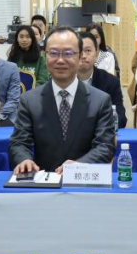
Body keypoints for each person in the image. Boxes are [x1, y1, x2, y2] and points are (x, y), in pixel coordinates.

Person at [9, 27, 116, 175]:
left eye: (68, 53)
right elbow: (19, 143)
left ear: (80, 57)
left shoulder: (100, 100)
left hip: (83, 179)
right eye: (53, 53)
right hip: (44, 181)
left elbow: (105, 146)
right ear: (45, 56)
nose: (60, 60)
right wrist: (24, 160)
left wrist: (78, 166)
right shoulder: (29, 100)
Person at [78, 31, 127, 129]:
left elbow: (120, 118)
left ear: (96, 54)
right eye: (79, 51)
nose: (83, 56)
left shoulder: (111, 82)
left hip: (101, 134)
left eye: (88, 50)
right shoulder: (62, 82)